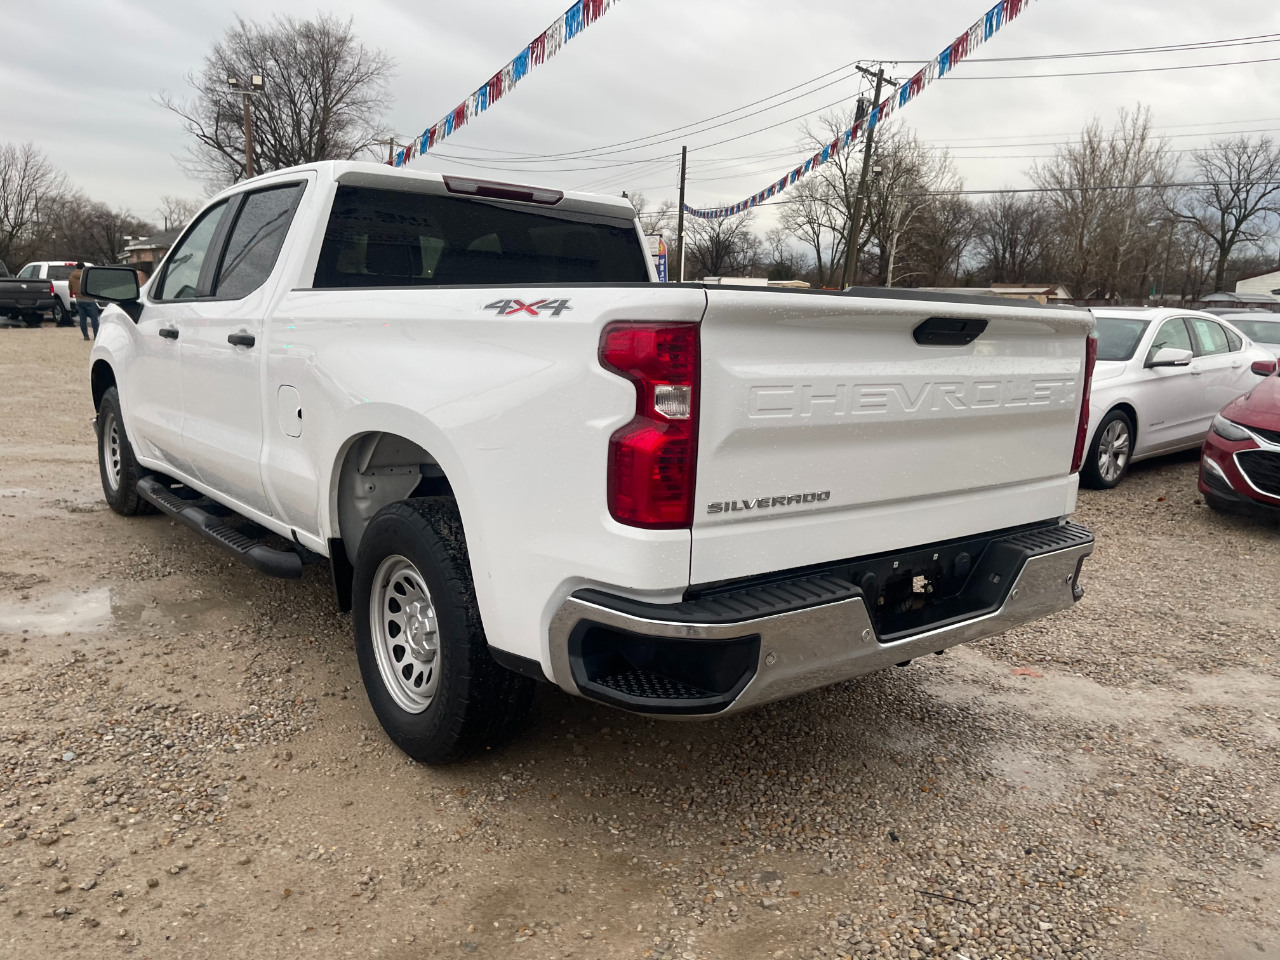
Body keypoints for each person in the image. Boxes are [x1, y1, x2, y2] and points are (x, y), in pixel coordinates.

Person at [68, 262, 99, 341]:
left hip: (79, 300)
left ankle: (85, 336)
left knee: (82, 319)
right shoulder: (87, 275)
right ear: (84, 267)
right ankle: (96, 335)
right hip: (90, 299)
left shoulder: (71, 276)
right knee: (94, 319)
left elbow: (70, 288)